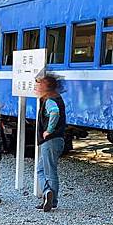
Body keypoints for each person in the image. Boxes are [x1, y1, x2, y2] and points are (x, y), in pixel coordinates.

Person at [35, 74, 66, 212]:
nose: (37, 87)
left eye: (40, 84)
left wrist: (49, 130)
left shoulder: (50, 101)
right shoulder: (57, 98)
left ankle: (50, 196)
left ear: (45, 87)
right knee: (42, 169)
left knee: (49, 170)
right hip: (57, 140)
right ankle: (48, 196)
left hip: (50, 140)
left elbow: (54, 113)